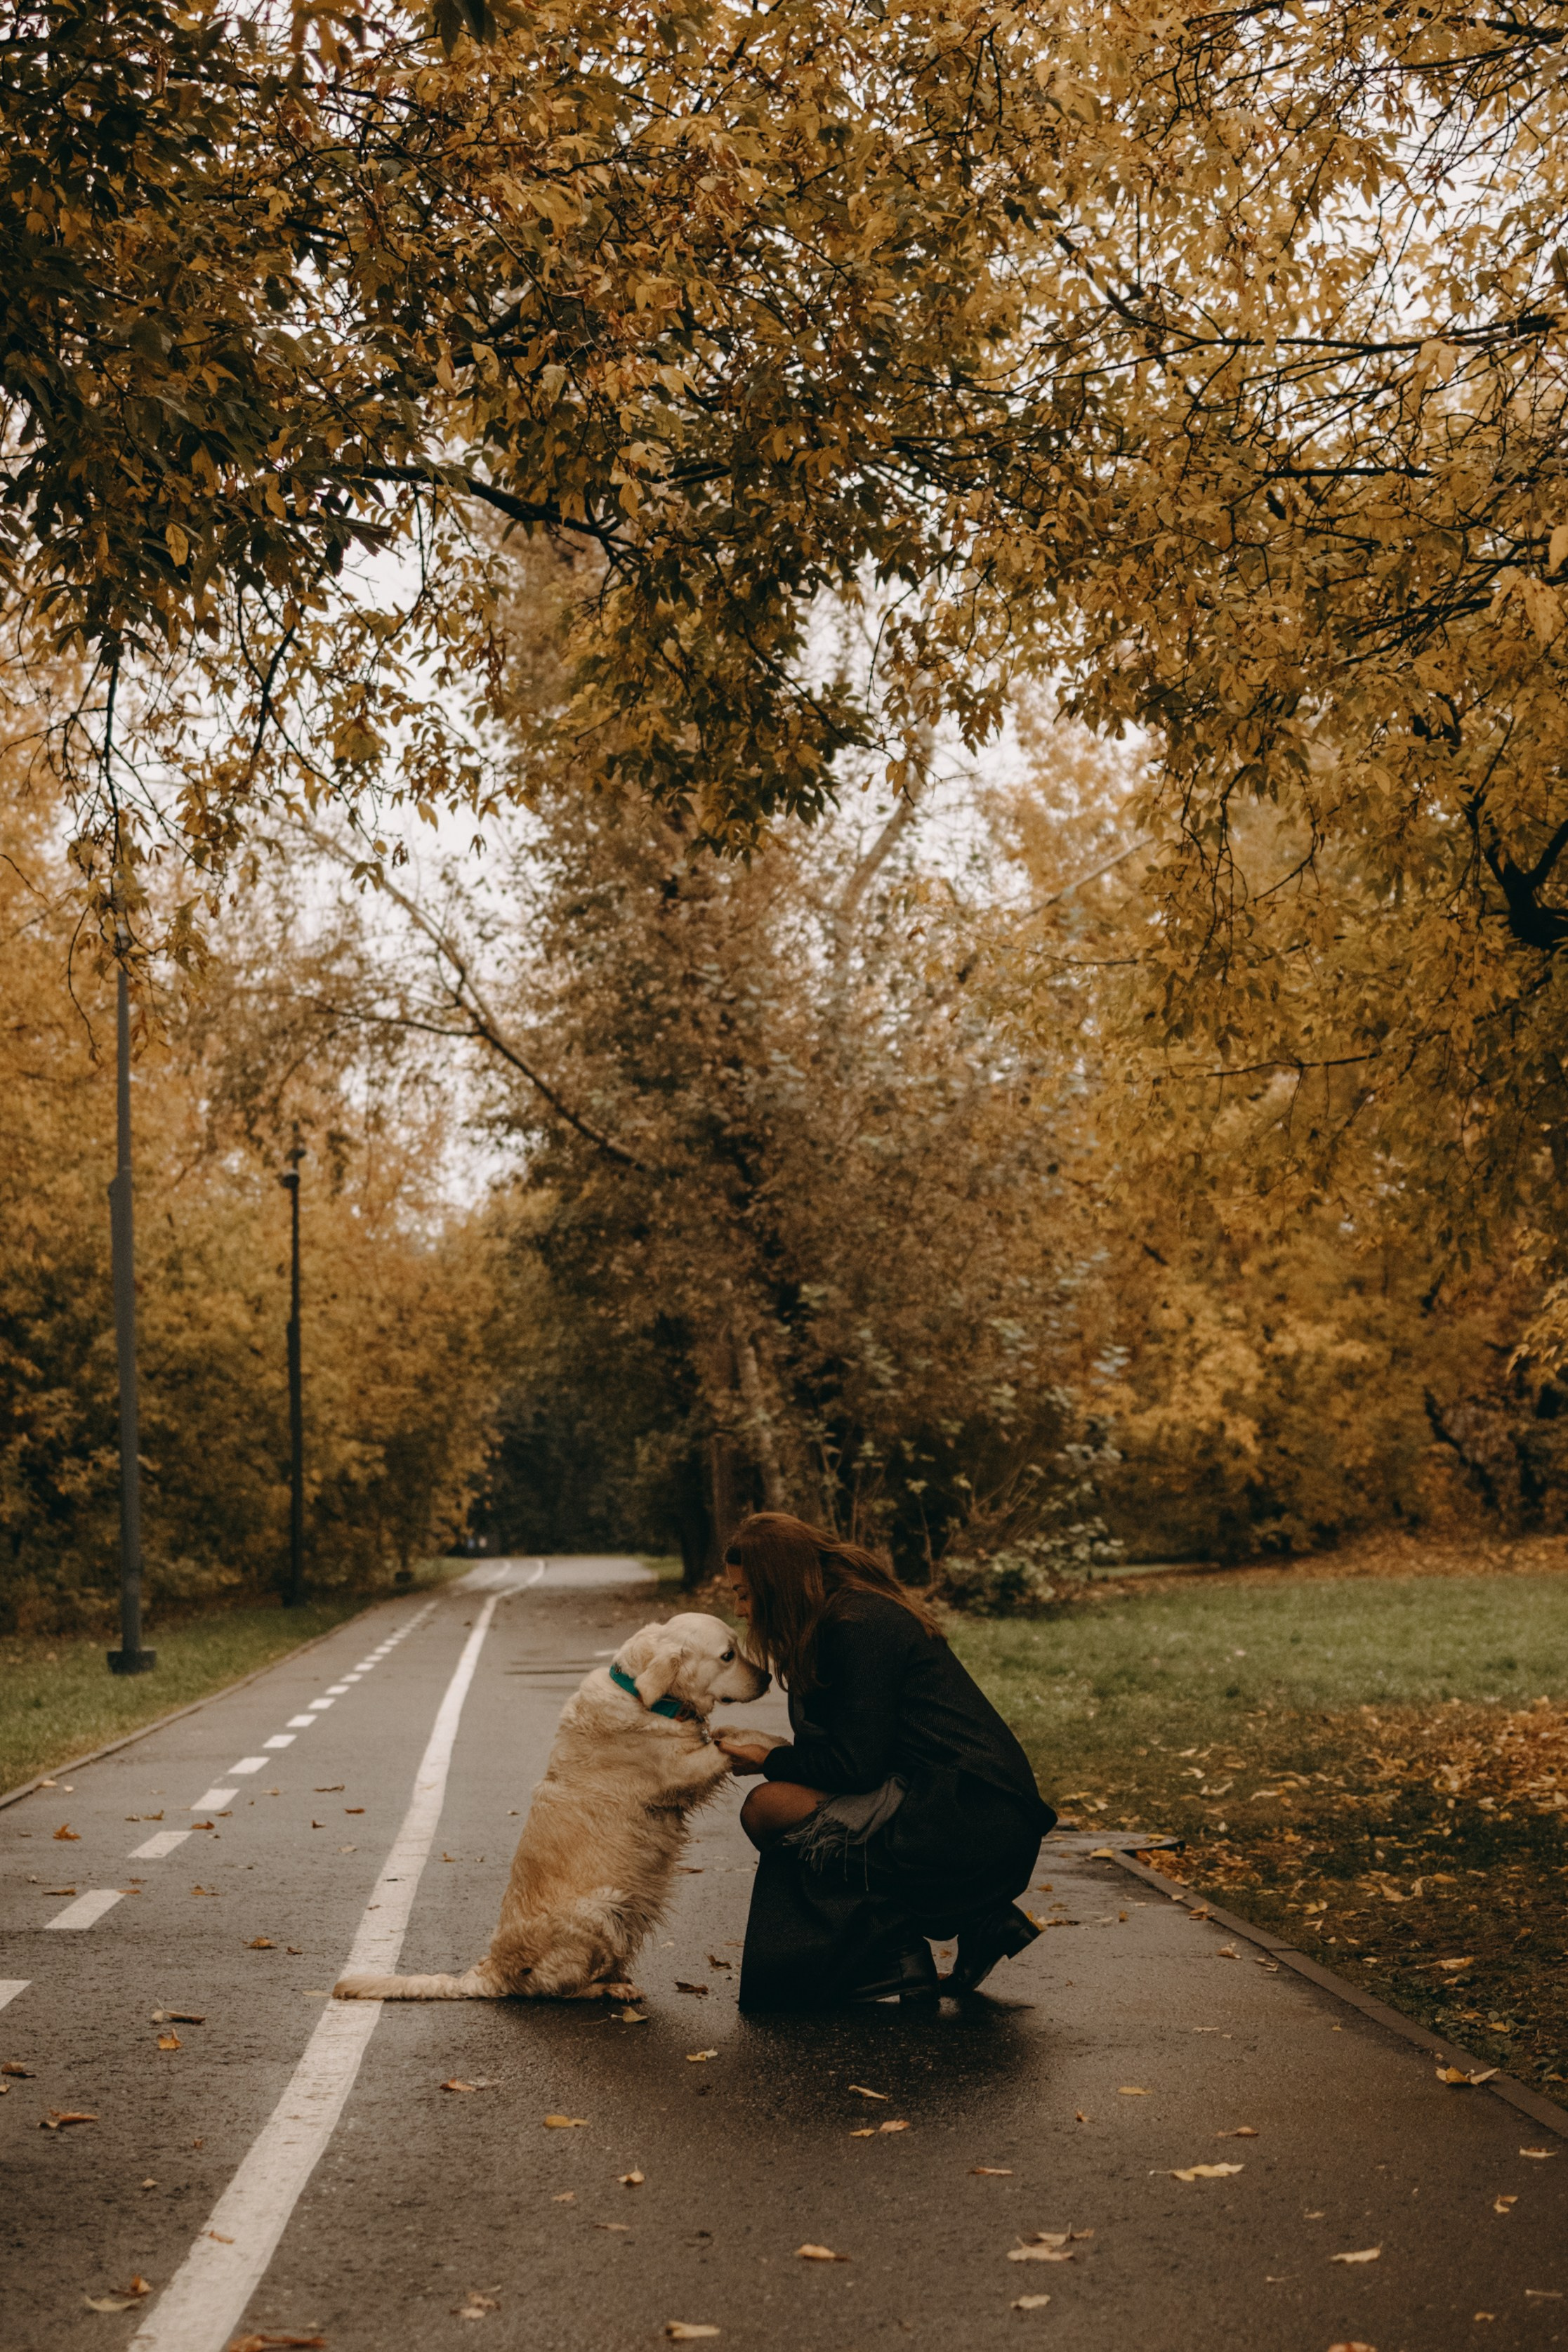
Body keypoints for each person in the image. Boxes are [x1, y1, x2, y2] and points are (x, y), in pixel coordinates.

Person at [713, 1511, 1056, 2009]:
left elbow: (855, 1768)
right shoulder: (839, 1617)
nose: (740, 1608)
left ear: (778, 1586)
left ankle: (896, 1955)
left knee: (768, 1809)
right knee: (777, 1802)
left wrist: (773, 1758)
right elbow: (861, 1745)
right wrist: (774, 1748)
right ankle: (980, 1921)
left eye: (745, 1592)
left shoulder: (858, 1625)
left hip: (972, 1813)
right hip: (946, 1799)